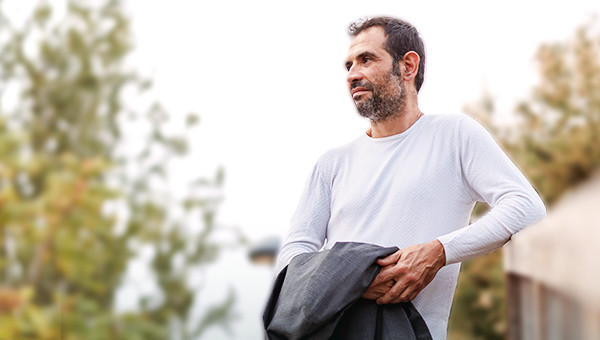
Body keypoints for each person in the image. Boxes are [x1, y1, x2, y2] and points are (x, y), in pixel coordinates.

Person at [275, 16, 546, 340]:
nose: (352, 75)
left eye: (366, 59)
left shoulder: (454, 135)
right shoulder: (332, 163)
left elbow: (526, 207)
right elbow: (292, 259)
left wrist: (438, 252)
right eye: (348, 65)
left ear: (408, 65)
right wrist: (352, 278)